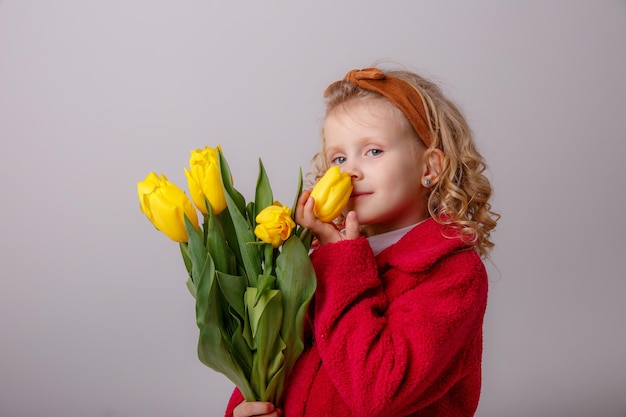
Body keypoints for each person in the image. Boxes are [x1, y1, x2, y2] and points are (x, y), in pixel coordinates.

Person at [224, 66, 500, 417]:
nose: (350, 171)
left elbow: (377, 393)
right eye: (339, 158)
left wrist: (342, 261)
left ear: (430, 168)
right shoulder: (318, 260)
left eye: (373, 151)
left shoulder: (452, 272)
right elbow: (269, 359)